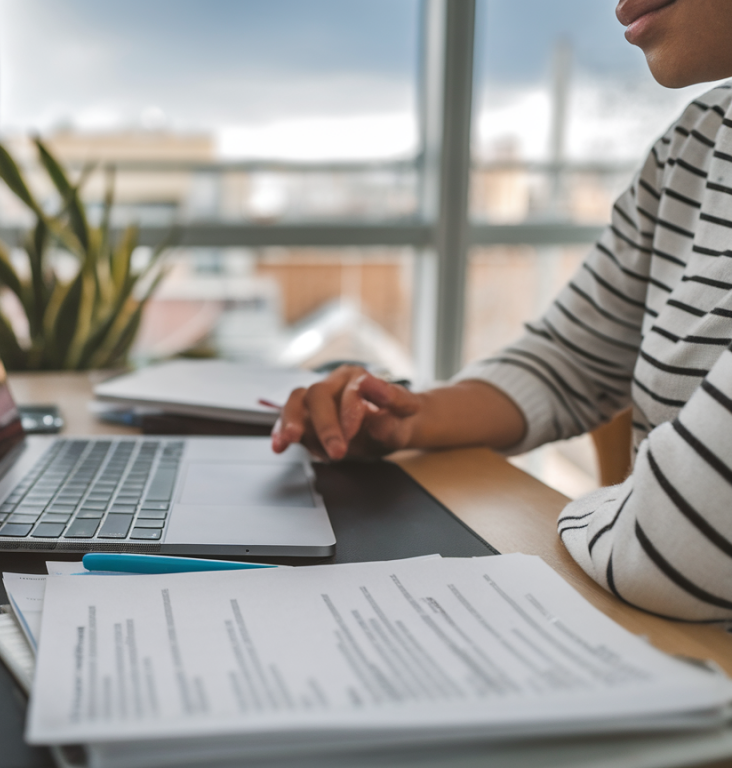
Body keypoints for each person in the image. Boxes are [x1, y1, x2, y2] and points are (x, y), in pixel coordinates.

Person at [272, 0, 732, 622]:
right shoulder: (698, 141)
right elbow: (569, 360)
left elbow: (682, 547)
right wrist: (413, 416)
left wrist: (621, 507)